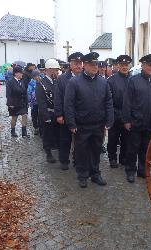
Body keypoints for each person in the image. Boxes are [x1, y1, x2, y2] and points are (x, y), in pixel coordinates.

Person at [64, 52, 114, 188]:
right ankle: (83, 175)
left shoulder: (103, 82)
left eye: (96, 64)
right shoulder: (74, 82)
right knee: (81, 151)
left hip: (98, 124)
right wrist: (71, 123)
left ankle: (95, 173)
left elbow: (108, 102)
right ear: (84, 65)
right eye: (91, 64)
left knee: (96, 149)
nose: (94, 67)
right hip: (81, 125)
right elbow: (69, 104)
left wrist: (109, 120)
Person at [122, 54, 151, 183]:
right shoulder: (133, 80)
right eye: (149, 65)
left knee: (147, 149)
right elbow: (127, 101)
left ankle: (143, 170)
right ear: (142, 65)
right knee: (132, 148)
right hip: (136, 122)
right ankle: (130, 171)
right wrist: (126, 120)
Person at [54, 52, 84, 170]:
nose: (78, 66)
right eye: (75, 63)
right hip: (66, 115)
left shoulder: (84, 77)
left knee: (80, 140)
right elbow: (58, 97)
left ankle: (78, 159)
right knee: (65, 139)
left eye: (80, 63)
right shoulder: (62, 79)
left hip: (80, 115)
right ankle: (64, 160)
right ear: (70, 64)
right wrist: (59, 114)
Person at [107, 55, 132, 168]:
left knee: (127, 139)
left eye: (126, 65)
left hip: (128, 115)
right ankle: (112, 158)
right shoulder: (111, 80)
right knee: (113, 138)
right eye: (122, 65)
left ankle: (123, 158)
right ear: (118, 66)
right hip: (115, 114)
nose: (124, 67)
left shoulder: (133, 80)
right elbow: (108, 100)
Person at [36, 59, 60, 164]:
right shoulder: (41, 84)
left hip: (56, 112)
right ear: (49, 70)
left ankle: (56, 149)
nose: (57, 72)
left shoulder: (56, 82)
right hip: (48, 113)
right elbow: (41, 103)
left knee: (56, 134)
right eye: (55, 70)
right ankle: (48, 153)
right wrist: (46, 117)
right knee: (47, 134)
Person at [6, 66, 29, 137]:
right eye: (21, 73)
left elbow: (25, 92)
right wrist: (10, 104)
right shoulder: (10, 82)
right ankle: (13, 131)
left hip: (22, 102)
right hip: (14, 103)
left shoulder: (22, 81)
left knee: (25, 115)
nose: (22, 74)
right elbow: (8, 94)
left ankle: (24, 132)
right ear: (16, 74)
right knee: (14, 118)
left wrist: (27, 102)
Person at [28, 70, 41, 135]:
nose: (39, 77)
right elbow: (29, 92)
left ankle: (40, 127)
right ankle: (36, 127)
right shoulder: (31, 83)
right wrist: (30, 100)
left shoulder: (40, 81)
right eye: (37, 75)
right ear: (34, 76)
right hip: (34, 102)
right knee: (34, 115)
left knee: (40, 115)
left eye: (39, 75)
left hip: (40, 102)